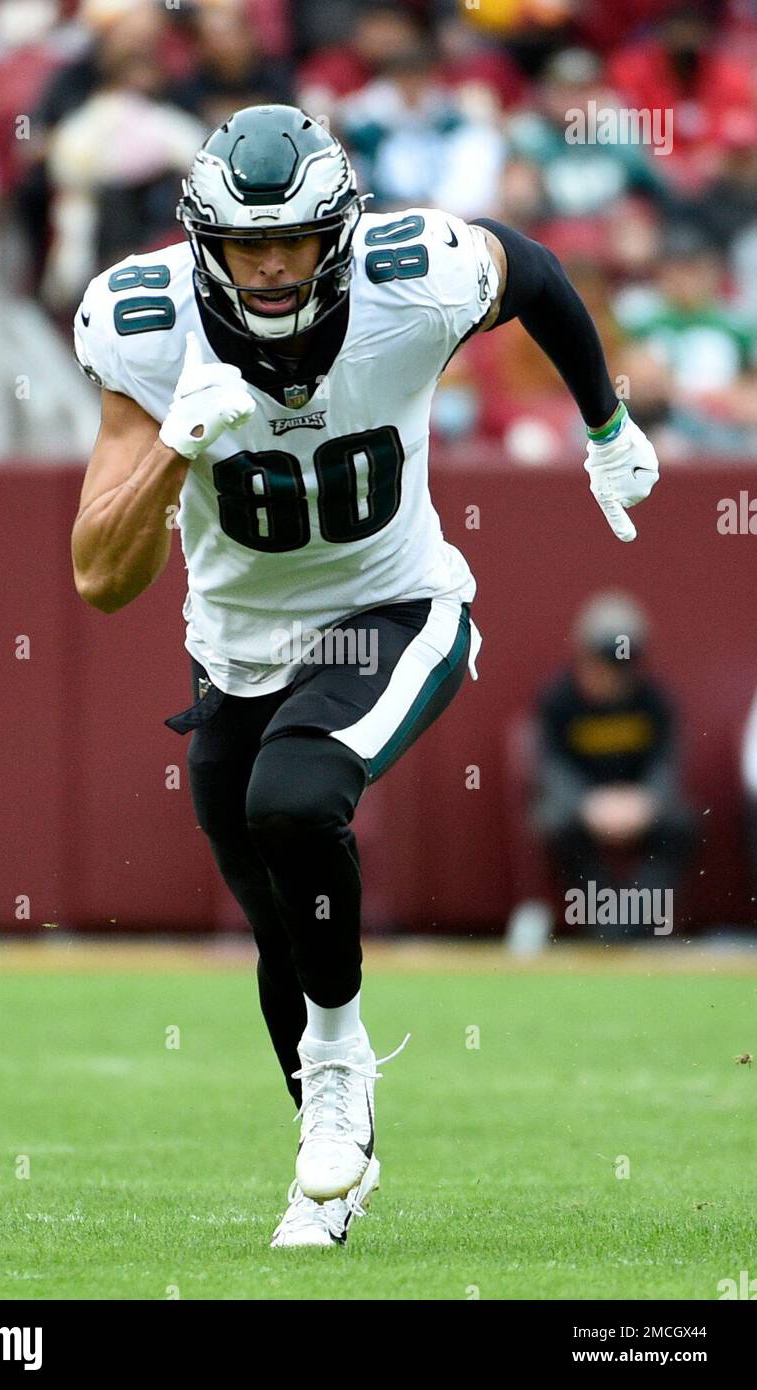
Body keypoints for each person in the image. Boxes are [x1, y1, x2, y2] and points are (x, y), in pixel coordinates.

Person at [70, 104, 660, 1248]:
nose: (274, 263)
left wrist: (605, 426)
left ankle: (339, 1064)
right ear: (204, 243)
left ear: (341, 228)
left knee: (291, 798)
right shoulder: (141, 325)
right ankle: (324, 1171)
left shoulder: (414, 277)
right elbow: (100, 574)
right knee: (281, 922)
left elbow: (529, 269)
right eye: (247, 244)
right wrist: (171, 451)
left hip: (396, 610)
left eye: (293, 236)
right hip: (236, 652)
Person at [533, 592, 695, 941]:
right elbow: (550, 767)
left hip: (640, 806)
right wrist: (587, 804)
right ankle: (605, 926)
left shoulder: (653, 701)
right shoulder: (558, 701)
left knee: (681, 827)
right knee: (558, 827)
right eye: (602, 664)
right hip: (579, 808)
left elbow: (667, 763)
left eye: (621, 666)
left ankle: (629, 927)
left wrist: (646, 801)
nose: (610, 676)